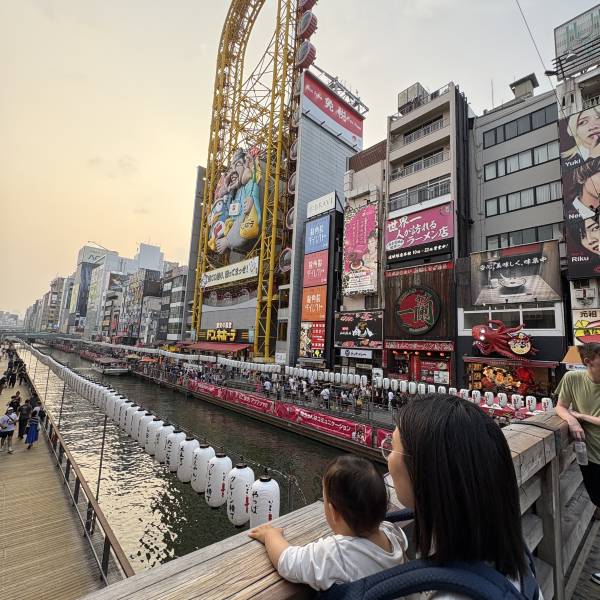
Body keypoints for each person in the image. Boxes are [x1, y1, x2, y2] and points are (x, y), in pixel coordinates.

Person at [382, 394, 542, 598]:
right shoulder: (510, 556)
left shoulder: (452, 595)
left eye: (393, 447)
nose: (388, 457)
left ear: (430, 473)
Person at [248, 455, 408, 591]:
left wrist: (270, 535)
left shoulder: (337, 553)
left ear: (334, 512)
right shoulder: (393, 534)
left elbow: (288, 561)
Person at [555, 341, 600, 586]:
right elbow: (561, 407)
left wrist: (580, 416)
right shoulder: (572, 379)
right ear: (588, 362)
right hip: (591, 458)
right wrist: (571, 421)